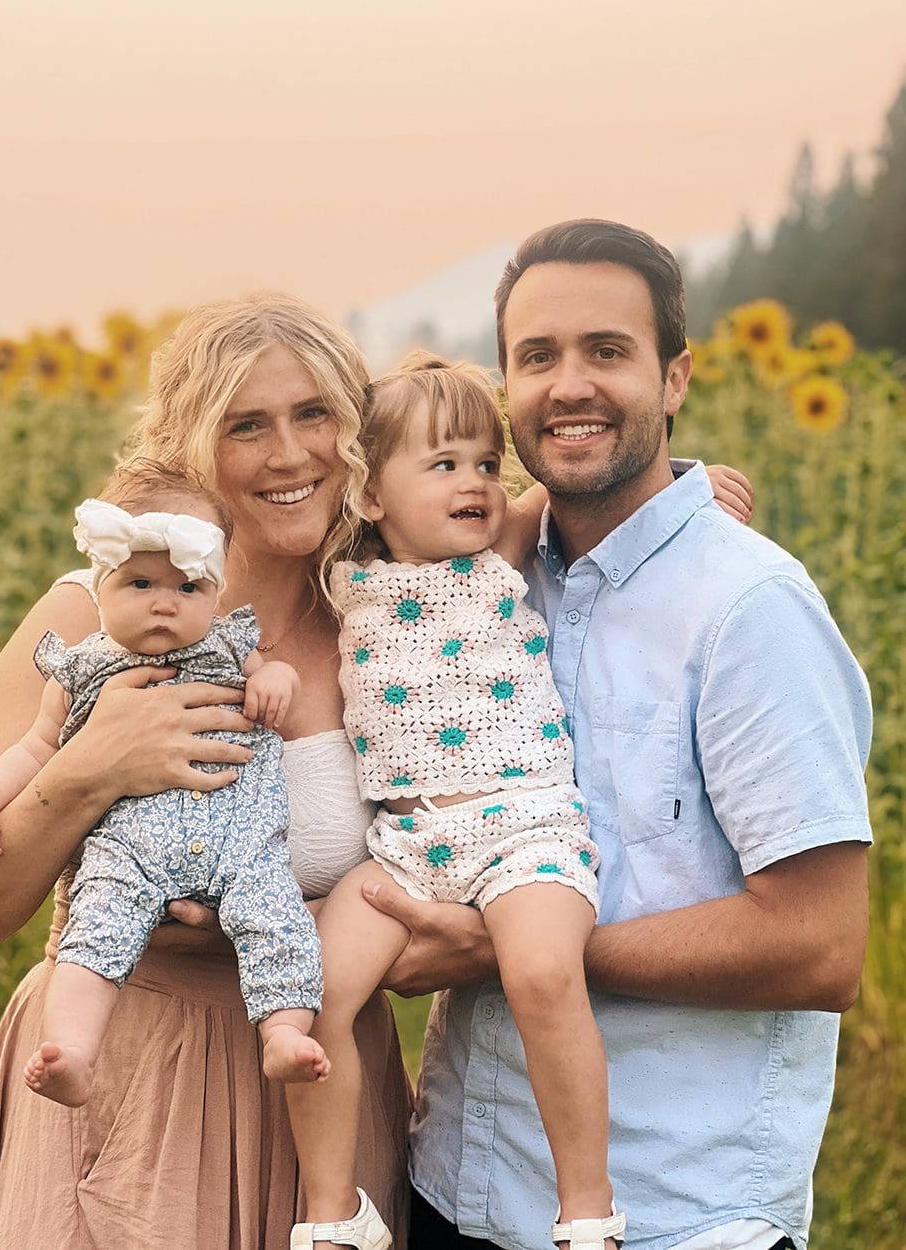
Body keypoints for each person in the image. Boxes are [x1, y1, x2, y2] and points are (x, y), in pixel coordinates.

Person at [361, 221, 873, 1250]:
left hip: (670, 1214)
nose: (569, 386)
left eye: (606, 350)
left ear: (673, 377)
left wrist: (506, 950)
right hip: (457, 1182)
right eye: (537, 357)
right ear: (505, 390)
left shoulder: (746, 605)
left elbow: (817, 945)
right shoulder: (477, 575)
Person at [0, 294, 413, 1250]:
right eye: (245, 424)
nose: (290, 453)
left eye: (315, 415)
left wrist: (677, 482)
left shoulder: (387, 622)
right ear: (187, 447)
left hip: (321, 1087)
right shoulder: (87, 620)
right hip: (120, 1076)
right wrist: (95, 767)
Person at [285, 352, 616, 1250]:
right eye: (442, 465)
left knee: (544, 972)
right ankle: (332, 1211)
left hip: (526, 824)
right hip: (408, 844)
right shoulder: (343, 580)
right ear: (369, 497)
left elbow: (578, 483)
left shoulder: (501, 551)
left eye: (483, 461)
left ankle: (587, 1208)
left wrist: (707, 484)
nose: (475, 483)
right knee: (309, 991)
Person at [0, 466, 330, 1107]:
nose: (165, 602)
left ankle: (284, 1032)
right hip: (129, 852)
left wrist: (277, 680)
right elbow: (33, 749)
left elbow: (275, 675)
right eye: (140, 583)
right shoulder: (83, 665)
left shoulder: (229, 647)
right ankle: (72, 1051)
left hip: (243, 848)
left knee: (277, 922)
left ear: (215, 592)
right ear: (101, 586)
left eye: (188, 586)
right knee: (96, 931)